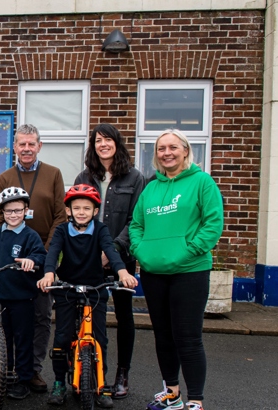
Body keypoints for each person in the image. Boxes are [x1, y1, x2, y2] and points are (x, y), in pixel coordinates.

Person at [129, 130, 223, 410]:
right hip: (154, 273)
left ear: (185, 150)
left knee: (188, 337)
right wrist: (141, 251)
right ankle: (172, 393)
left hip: (190, 272)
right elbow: (136, 225)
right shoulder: (151, 188)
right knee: (163, 335)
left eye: (172, 147)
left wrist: (188, 250)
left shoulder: (202, 182)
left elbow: (212, 224)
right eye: (161, 148)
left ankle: (195, 400)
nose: (166, 153)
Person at [37, 184, 138, 407]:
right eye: (77, 207)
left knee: (100, 338)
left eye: (87, 208)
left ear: (95, 211)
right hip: (67, 288)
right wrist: (49, 273)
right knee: (62, 337)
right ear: (69, 211)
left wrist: (122, 272)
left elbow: (110, 250)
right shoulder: (63, 230)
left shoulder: (100, 229)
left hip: (95, 288)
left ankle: (100, 385)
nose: (81, 212)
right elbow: (53, 252)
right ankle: (59, 382)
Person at [0, 124, 68, 392]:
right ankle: (9, 368)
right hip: (14, 261)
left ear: (39, 146)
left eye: (31, 144)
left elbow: (61, 216)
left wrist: (47, 255)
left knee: (41, 316)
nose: (26, 149)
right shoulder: (4, 177)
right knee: (13, 320)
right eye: (21, 144)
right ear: (14, 147)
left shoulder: (53, 174)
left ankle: (33, 369)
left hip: (44, 255)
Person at [74, 123, 145, 398]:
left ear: (117, 143)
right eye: (98, 140)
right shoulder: (85, 175)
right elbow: (78, 213)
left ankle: (122, 373)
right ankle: (90, 371)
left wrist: (111, 250)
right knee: (90, 313)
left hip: (122, 258)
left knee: (125, 315)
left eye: (108, 140)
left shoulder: (134, 177)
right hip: (89, 257)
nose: (103, 144)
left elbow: (135, 220)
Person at [0, 187, 47, 399]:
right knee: (4, 340)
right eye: (8, 211)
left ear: (26, 210)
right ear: (2, 213)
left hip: (23, 298)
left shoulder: (30, 236)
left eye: (18, 210)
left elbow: (41, 257)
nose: (13, 215)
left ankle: (23, 378)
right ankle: (6, 374)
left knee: (23, 339)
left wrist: (32, 261)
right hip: (0, 296)